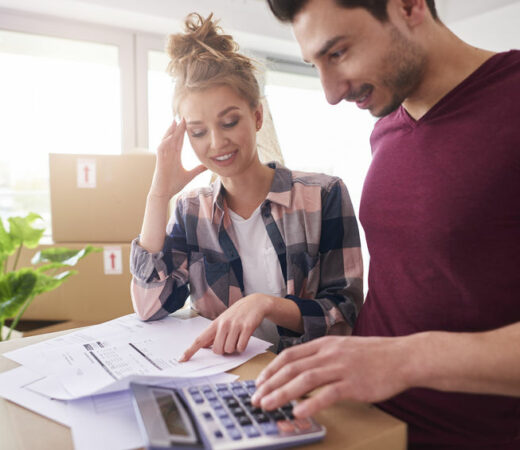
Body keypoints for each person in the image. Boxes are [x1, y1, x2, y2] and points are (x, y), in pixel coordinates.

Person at [252, 1, 520, 449]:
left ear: (410, 6)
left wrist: (405, 360)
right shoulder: (388, 126)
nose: (331, 92)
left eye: (338, 53)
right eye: (315, 64)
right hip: (354, 419)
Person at [129, 13, 363, 361]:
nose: (216, 142)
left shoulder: (323, 195)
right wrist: (158, 195)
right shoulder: (191, 210)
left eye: (229, 122)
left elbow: (346, 315)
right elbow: (149, 307)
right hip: (225, 382)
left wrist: (268, 306)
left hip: (304, 378)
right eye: (198, 131)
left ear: (257, 117)